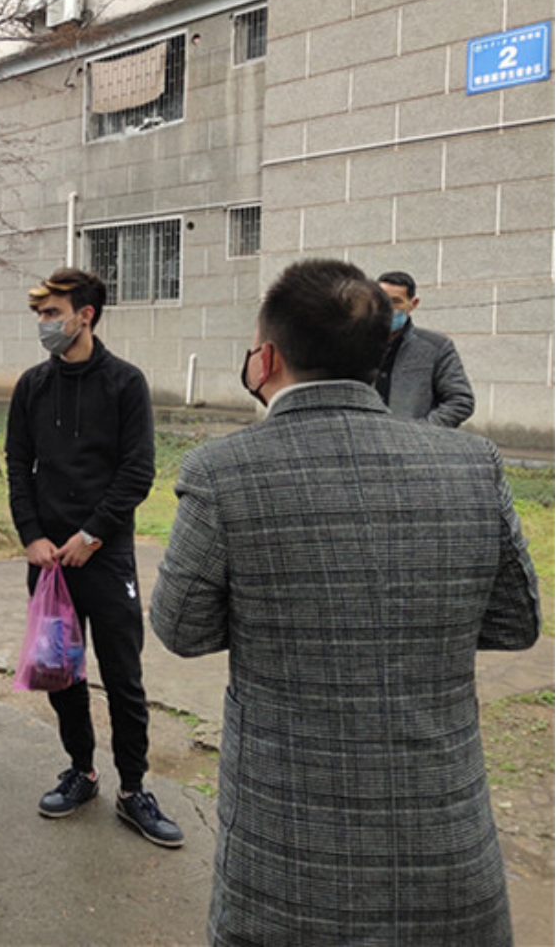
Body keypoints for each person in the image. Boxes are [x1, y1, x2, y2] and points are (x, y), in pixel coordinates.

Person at [151, 259, 540, 946]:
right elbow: (516, 623)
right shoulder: (472, 464)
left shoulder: (223, 470)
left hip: (284, 853)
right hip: (445, 848)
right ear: (380, 351)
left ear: (266, 358)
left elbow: (181, 628)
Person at [5, 267, 183, 848]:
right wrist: (32, 536)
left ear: (85, 315)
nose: (43, 324)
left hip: (104, 558)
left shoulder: (124, 383)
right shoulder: (32, 386)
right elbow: (18, 467)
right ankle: (80, 770)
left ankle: (134, 789)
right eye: (40, 314)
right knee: (61, 673)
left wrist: (93, 534)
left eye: (52, 313)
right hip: (48, 562)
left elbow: (137, 471)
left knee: (123, 676)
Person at [374, 269, 475, 427]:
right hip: (363, 438)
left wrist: (422, 431)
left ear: (412, 304)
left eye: (396, 302)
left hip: (413, 440)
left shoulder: (436, 347)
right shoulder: (353, 344)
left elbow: (460, 401)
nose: (386, 308)